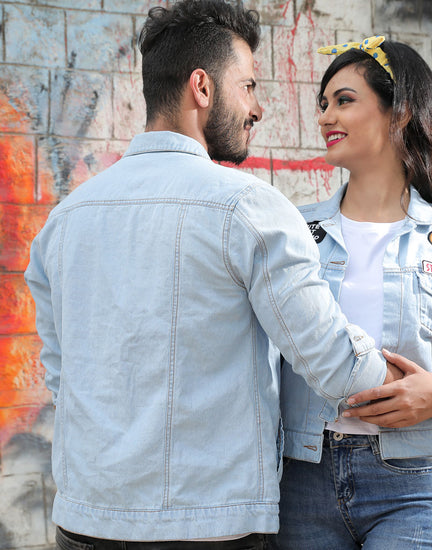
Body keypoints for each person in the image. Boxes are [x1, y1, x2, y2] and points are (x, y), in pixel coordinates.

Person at [23, 5, 406, 549]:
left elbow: (61, 377)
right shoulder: (248, 209)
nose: (258, 107)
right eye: (248, 85)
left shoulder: (63, 221)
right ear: (202, 87)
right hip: (208, 525)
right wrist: (424, 393)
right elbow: (330, 357)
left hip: (86, 522)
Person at [270, 36, 432, 550]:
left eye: (344, 100)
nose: (325, 117)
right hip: (302, 482)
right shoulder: (293, 232)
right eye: (323, 104)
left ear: (399, 114)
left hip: (412, 484)